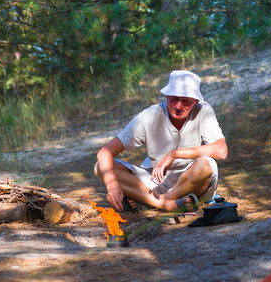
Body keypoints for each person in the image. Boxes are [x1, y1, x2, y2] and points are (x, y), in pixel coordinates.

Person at [95, 70, 228, 212]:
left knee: (206, 165)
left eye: (186, 101)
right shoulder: (149, 116)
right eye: (174, 98)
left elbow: (221, 151)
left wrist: (175, 154)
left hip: (192, 183)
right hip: (155, 183)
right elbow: (105, 153)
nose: (178, 105)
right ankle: (167, 204)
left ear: (196, 101)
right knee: (100, 167)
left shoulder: (204, 111)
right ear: (166, 95)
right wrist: (112, 185)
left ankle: (152, 201)